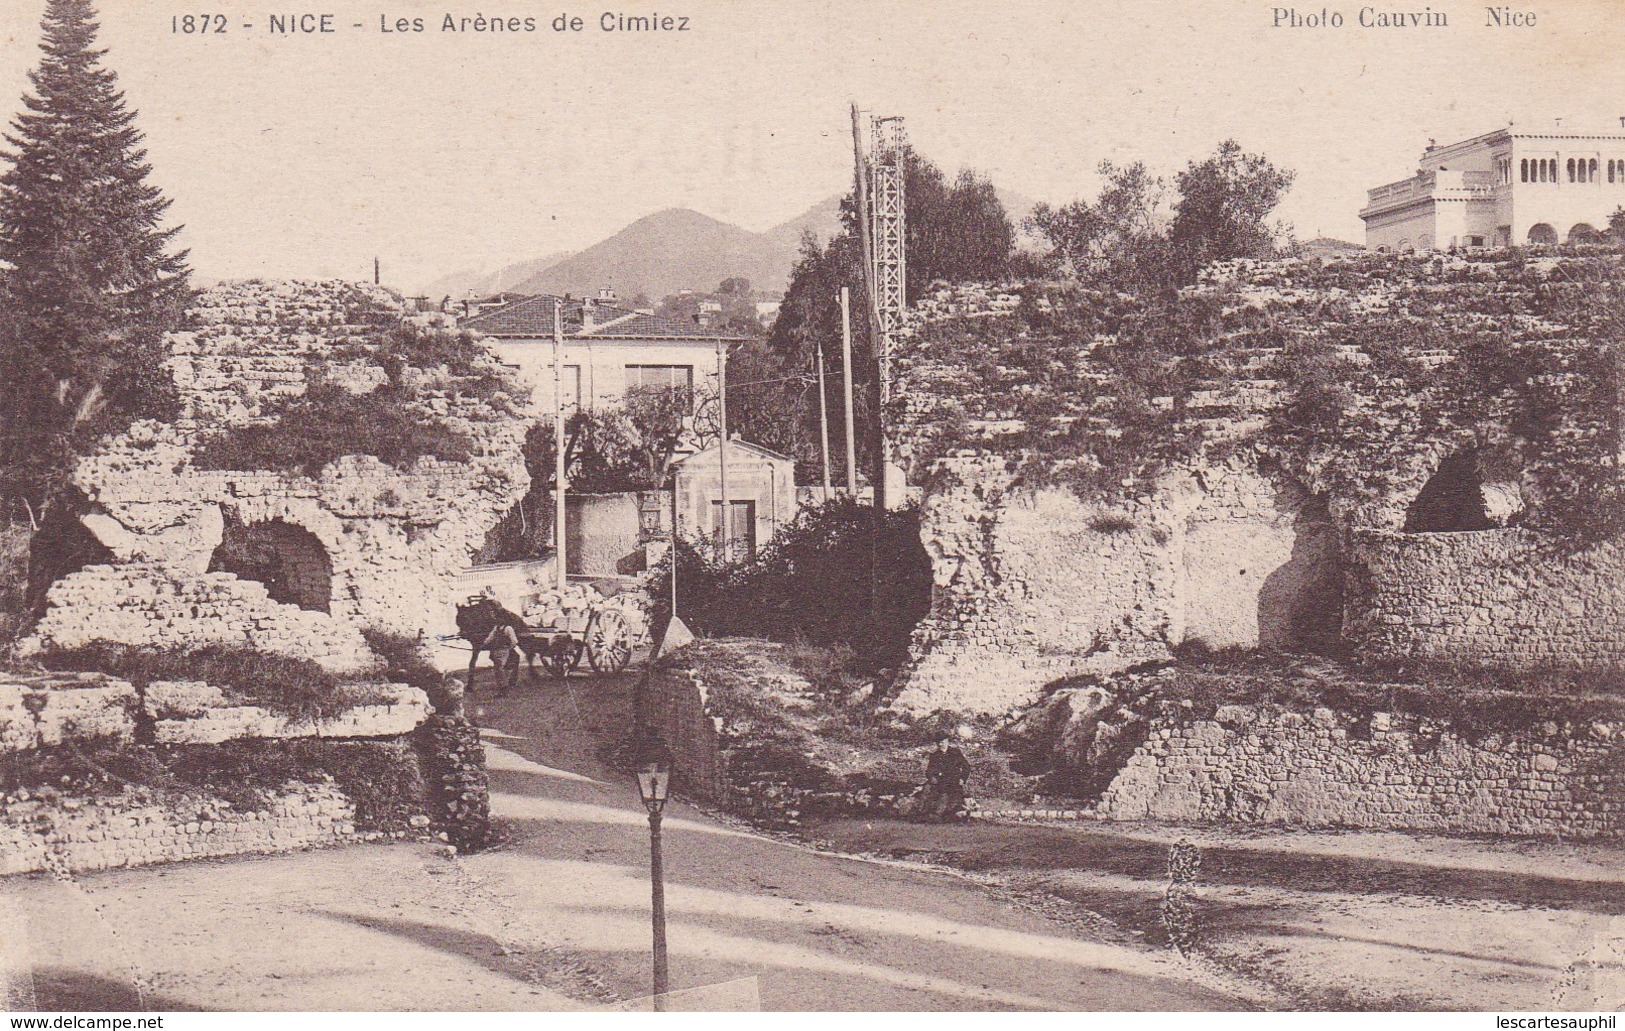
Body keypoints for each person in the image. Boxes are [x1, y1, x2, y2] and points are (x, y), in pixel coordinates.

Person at [918, 733, 971, 822]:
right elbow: (929, 770)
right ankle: (921, 813)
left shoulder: (955, 753)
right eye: (938, 743)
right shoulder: (935, 755)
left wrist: (963, 778)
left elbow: (966, 767)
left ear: (947, 742)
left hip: (953, 781)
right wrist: (931, 777)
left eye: (942, 742)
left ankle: (937, 815)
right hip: (939, 781)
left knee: (945, 795)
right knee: (926, 789)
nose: (940, 745)